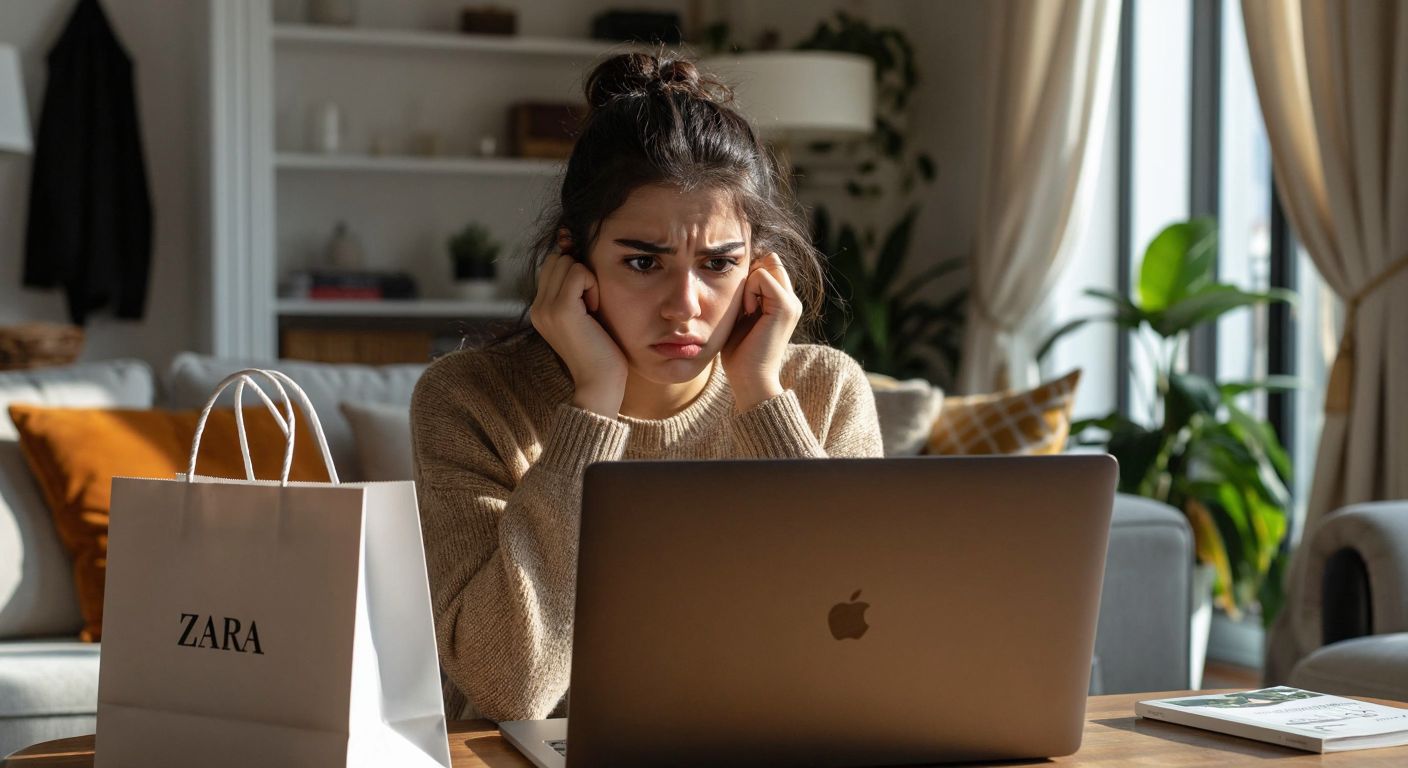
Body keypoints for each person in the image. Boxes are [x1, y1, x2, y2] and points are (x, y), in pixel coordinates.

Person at [410, 51, 884, 723]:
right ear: (572, 260)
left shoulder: (820, 391)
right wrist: (591, 406)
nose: (683, 305)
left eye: (718, 264)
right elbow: (509, 689)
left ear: (759, 270)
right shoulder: (471, 400)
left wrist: (760, 398)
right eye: (642, 261)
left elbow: (861, 646)